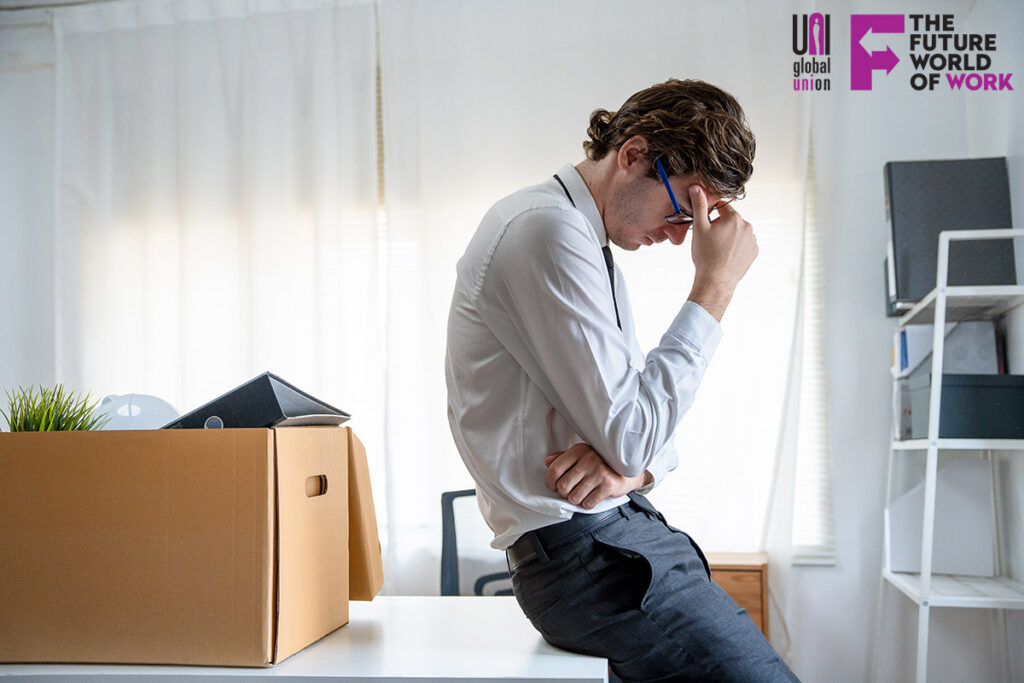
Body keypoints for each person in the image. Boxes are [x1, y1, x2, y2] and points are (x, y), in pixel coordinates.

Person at [444, 78, 799, 682]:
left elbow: (640, 432)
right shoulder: (546, 231)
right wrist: (715, 288)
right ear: (633, 155)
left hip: (617, 536)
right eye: (680, 210)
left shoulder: (582, 239)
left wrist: (632, 470)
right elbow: (635, 429)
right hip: (589, 556)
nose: (683, 236)